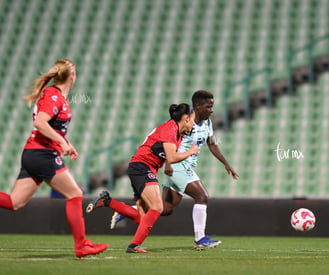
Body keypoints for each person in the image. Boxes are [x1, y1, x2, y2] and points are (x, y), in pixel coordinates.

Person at [0, 59, 108, 258]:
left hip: (35, 153)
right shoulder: (53, 95)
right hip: (42, 154)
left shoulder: (57, 96)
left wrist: (66, 143)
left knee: (15, 203)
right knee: (75, 194)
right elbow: (41, 123)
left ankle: (82, 244)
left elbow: (51, 127)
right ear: (72, 77)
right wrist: (62, 142)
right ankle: (81, 245)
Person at [111, 90, 239, 250]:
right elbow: (170, 143)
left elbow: (212, 143)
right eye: (208, 106)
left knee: (166, 209)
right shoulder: (185, 122)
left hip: (185, 166)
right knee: (202, 196)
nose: (211, 110)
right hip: (178, 166)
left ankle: (130, 210)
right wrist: (169, 165)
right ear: (198, 107)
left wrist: (226, 163)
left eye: (212, 106)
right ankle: (200, 239)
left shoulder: (207, 122)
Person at [86, 103, 198, 253]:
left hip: (142, 167)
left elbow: (166, 156)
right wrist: (191, 151)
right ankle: (134, 246)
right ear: (185, 118)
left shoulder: (177, 133)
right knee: (157, 207)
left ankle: (107, 201)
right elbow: (171, 156)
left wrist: (169, 166)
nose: (193, 123)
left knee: (142, 219)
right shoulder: (170, 129)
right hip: (142, 167)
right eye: (192, 119)